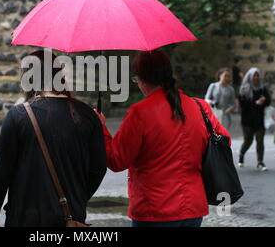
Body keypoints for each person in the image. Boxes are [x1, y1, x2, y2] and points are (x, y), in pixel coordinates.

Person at [95, 50, 230, 227]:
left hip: (155, 210)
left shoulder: (140, 112)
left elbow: (116, 160)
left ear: (142, 79)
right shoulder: (199, 106)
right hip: (193, 208)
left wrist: (100, 128)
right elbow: (224, 140)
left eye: (136, 80)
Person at [0, 50, 107, 227]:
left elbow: (2, 172)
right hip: (70, 217)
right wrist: (77, 197)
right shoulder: (87, 116)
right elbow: (98, 168)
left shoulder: (18, 116)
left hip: (24, 218)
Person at [238, 68, 271, 171]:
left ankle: (260, 161)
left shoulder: (262, 88)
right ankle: (241, 155)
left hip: (260, 119)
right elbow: (242, 105)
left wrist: (264, 101)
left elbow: (269, 101)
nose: (256, 77)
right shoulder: (244, 89)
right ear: (250, 77)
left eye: (257, 75)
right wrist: (255, 103)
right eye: (254, 75)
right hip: (247, 120)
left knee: (260, 141)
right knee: (248, 140)